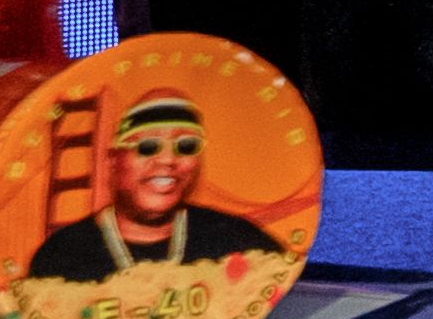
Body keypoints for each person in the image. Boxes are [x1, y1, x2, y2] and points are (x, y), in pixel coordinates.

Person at [20, 97, 285, 279]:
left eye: (186, 146)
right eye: (147, 146)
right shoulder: (61, 256)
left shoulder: (241, 241)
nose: (168, 160)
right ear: (113, 161)